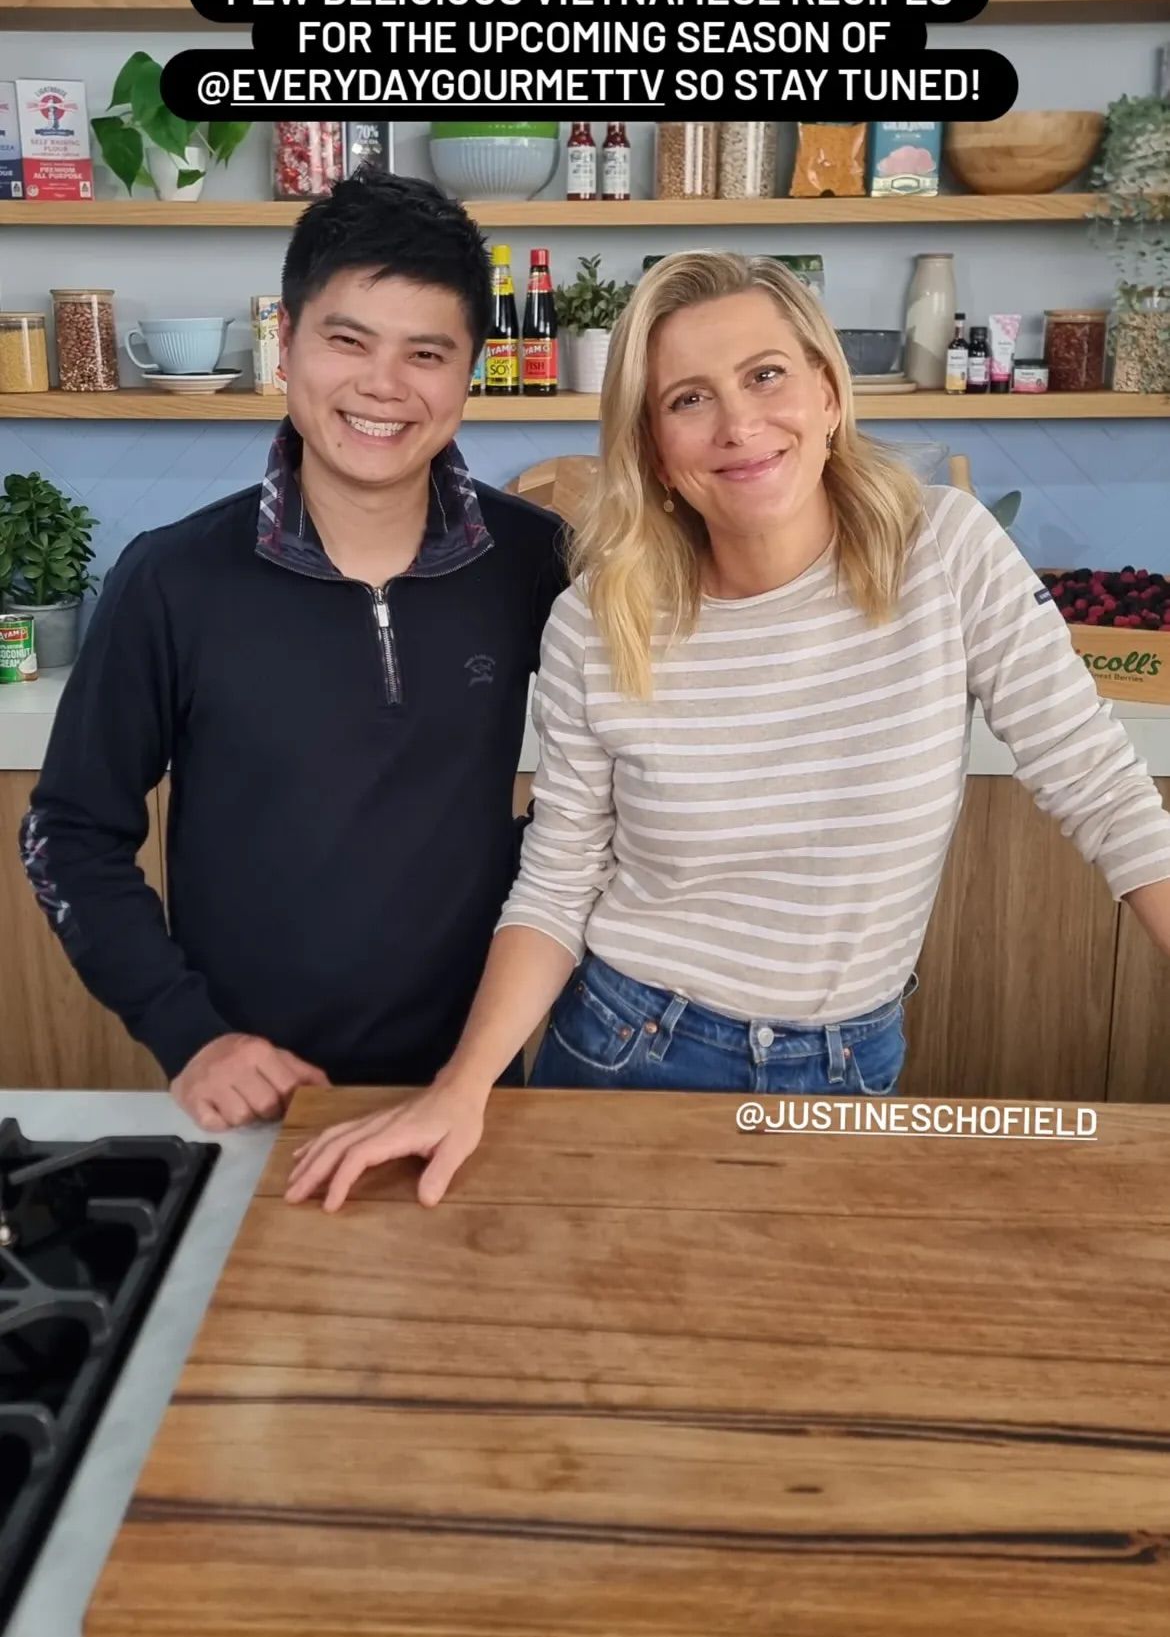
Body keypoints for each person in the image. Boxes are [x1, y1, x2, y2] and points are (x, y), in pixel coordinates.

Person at [287, 249, 1170, 1211]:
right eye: (688, 399)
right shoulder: (598, 621)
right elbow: (559, 878)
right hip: (629, 1051)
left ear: (827, 394)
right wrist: (462, 1088)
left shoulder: (946, 554)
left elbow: (1103, 792)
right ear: (653, 447)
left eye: (766, 375)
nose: (740, 425)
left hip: (853, 1065)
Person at [21, 172, 566, 1130]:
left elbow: (617, 784)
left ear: (470, 372)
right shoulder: (173, 577)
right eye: (347, 341)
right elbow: (68, 833)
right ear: (288, 344)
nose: (383, 386)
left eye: (426, 353)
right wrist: (187, 1033)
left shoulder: (534, 561)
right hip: (254, 1094)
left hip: (466, 1092)